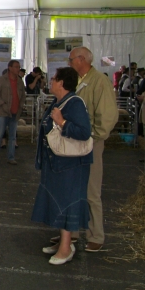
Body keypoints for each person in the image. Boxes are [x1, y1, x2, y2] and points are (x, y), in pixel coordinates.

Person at [32, 67, 93, 265]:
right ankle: (63, 244)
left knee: (66, 202)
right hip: (57, 162)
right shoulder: (58, 102)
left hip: (70, 165)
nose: (51, 81)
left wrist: (63, 122)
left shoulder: (74, 103)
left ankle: (66, 247)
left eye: (54, 79)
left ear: (62, 83)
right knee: (58, 201)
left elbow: (84, 132)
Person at [66, 46, 118, 252]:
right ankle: (73, 231)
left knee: (92, 190)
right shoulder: (78, 81)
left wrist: (95, 136)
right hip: (74, 141)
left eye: (71, 59)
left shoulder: (99, 82)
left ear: (81, 59)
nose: (69, 63)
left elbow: (107, 115)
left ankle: (96, 234)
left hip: (90, 142)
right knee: (74, 187)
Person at [0, 59, 26, 164]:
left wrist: (21, 105)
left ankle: (11, 157)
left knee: (13, 136)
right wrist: (2, 104)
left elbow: (23, 95)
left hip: (15, 112)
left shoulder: (19, 81)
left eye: (18, 67)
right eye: (16, 67)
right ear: (10, 68)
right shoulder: (2, 80)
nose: (18, 69)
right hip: (3, 112)